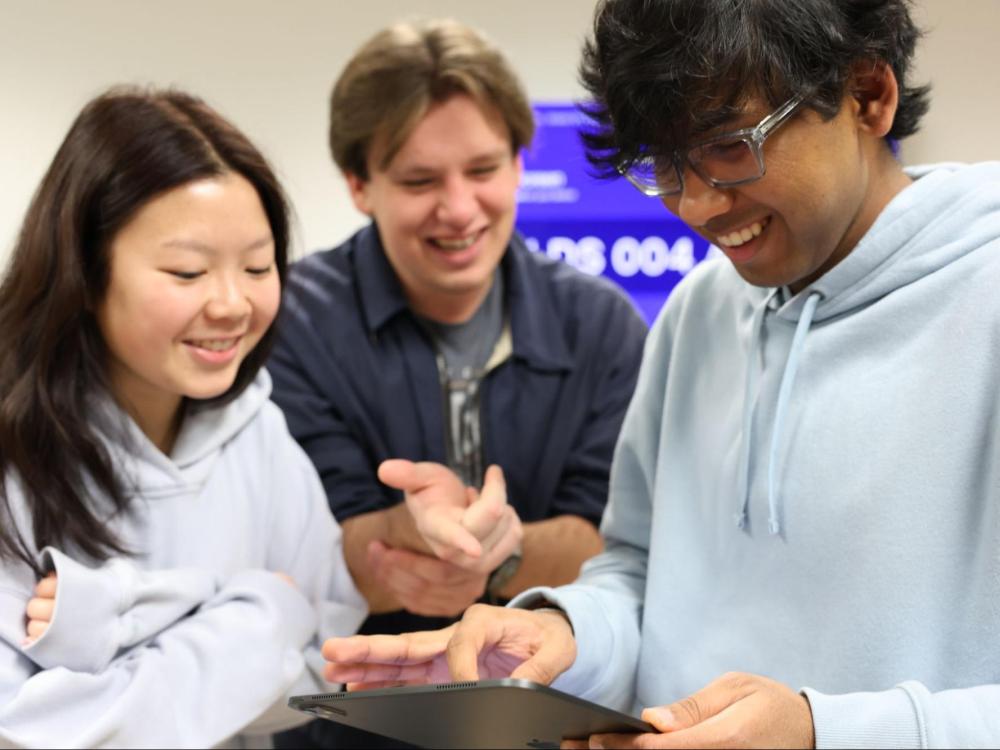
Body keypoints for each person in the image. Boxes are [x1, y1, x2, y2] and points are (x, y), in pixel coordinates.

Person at [321, 0, 1000, 747]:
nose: (697, 203)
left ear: (867, 97)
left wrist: (823, 732)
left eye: (729, 147)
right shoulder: (699, 311)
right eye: (664, 165)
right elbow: (641, 574)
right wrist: (567, 636)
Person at [267, 17, 648, 749]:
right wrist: (409, 539)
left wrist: (496, 554)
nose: (460, 209)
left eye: (482, 170)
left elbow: (614, 548)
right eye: (418, 180)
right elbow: (314, 546)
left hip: (551, 725)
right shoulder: (292, 324)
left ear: (518, 161)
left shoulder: (601, 326)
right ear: (358, 184)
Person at [0, 87, 367, 748]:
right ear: (84, 269)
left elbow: (328, 669)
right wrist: (259, 612)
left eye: (258, 266)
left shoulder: (257, 432)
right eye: (188, 271)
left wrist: (115, 623)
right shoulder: (15, 452)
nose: (232, 304)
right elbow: (30, 729)